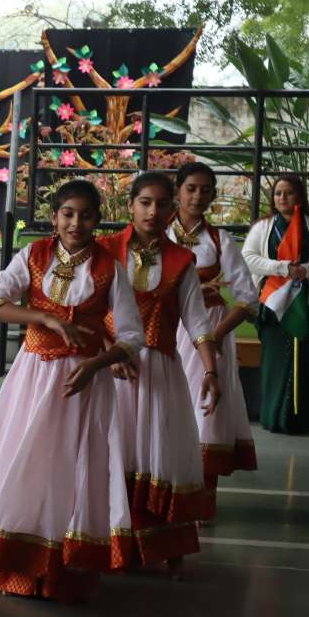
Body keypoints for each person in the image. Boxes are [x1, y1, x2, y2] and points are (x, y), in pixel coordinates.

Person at [0, 179, 143, 603]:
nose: (76, 222)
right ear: (54, 217)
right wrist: (45, 318)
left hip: (83, 384)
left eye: (86, 215)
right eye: (68, 214)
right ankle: (14, 567)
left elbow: (133, 336)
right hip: (33, 376)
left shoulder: (110, 267)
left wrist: (96, 365)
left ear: (98, 219)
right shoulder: (33, 255)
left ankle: (61, 572)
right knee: (22, 462)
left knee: (71, 471)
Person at [100, 171, 220, 575]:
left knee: (157, 455)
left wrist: (210, 370)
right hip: (110, 370)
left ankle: (160, 541)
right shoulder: (103, 251)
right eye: (145, 202)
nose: (153, 211)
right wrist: (107, 353)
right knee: (111, 452)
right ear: (130, 205)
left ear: (172, 209)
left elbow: (197, 322)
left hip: (160, 371)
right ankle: (105, 542)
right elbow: (87, 313)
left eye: (161, 203)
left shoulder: (182, 260)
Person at [167, 162, 259, 505]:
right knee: (166, 403)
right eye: (191, 188)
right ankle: (162, 492)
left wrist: (218, 333)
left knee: (206, 409)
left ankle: (202, 498)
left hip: (210, 325)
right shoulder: (157, 235)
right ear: (177, 190)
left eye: (206, 189)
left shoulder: (219, 240)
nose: (197, 196)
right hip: (167, 326)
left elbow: (248, 297)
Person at [242, 174, 309, 434]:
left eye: (288, 193)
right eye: (277, 193)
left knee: (307, 359)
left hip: (308, 304)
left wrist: (306, 270)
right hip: (273, 304)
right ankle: (274, 416)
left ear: (300, 196)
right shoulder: (262, 227)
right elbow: (249, 257)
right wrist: (282, 267)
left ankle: (303, 419)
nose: (282, 198)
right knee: (276, 361)